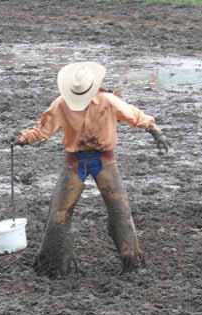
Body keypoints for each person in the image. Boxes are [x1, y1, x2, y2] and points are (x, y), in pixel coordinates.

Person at [13, 62, 170, 278]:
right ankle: (53, 265)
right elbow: (42, 130)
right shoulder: (61, 104)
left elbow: (134, 115)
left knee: (120, 211)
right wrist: (22, 138)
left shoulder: (108, 101)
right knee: (59, 213)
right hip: (74, 161)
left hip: (104, 160)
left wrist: (154, 130)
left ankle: (132, 263)